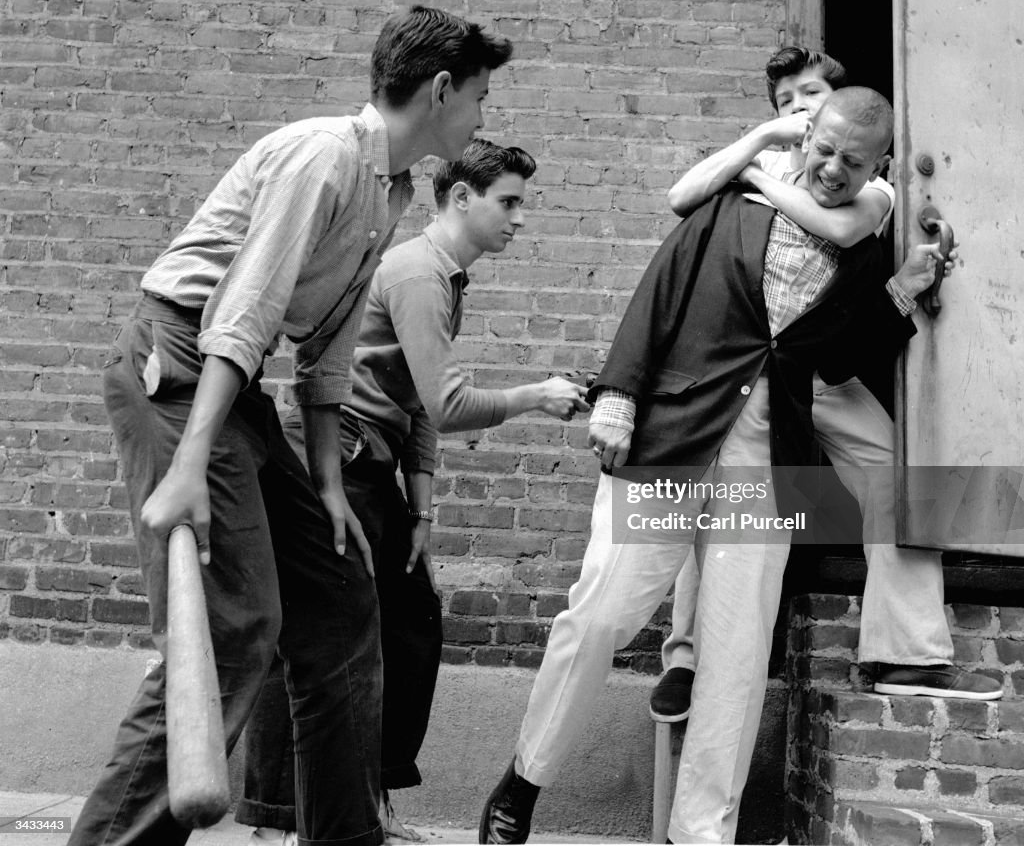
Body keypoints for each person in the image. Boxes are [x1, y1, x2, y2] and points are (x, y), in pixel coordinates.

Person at [68, 5, 513, 846]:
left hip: (231, 387)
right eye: (481, 96)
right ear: (441, 90)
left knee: (342, 598)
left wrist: (328, 487)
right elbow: (245, 310)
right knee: (235, 629)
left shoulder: (391, 190)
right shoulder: (324, 158)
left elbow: (326, 352)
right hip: (180, 371)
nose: (484, 113)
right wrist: (189, 464)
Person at [478, 87, 955, 845]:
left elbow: (836, 360)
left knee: (736, 652)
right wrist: (617, 397)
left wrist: (905, 290)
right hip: (673, 440)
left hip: (765, 461)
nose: (834, 169)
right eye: (825, 150)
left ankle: (701, 832)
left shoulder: (863, 244)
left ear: (879, 167)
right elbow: (659, 293)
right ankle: (525, 777)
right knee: (603, 612)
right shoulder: (734, 202)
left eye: (854, 162)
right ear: (808, 138)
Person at [238, 138, 591, 846]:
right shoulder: (418, 274)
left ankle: (368, 800)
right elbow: (450, 403)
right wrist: (535, 395)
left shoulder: (446, 278)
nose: (519, 218)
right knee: (316, 631)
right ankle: (278, 821)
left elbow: (421, 407)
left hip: (372, 460)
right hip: (335, 455)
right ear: (461, 198)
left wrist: (422, 510)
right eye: (508, 202)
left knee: (408, 622)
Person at [648, 47, 1002, 727]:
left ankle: (906, 655)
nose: (800, 109)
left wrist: (754, 175)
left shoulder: (869, 192)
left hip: (817, 378)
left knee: (898, 472)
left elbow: (840, 241)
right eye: (786, 103)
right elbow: (682, 201)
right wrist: (755, 154)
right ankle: (686, 659)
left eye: (811, 94)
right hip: (746, 373)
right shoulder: (769, 170)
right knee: (718, 492)